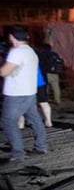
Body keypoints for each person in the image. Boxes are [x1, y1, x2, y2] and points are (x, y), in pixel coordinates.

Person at [1, 25, 48, 161]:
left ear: (12, 37)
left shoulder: (17, 52)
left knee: (8, 121)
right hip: (29, 92)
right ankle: (41, 146)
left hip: (16, 94)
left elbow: (4, 71)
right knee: (34, 119)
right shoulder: (30, 51)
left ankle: (18, 152)